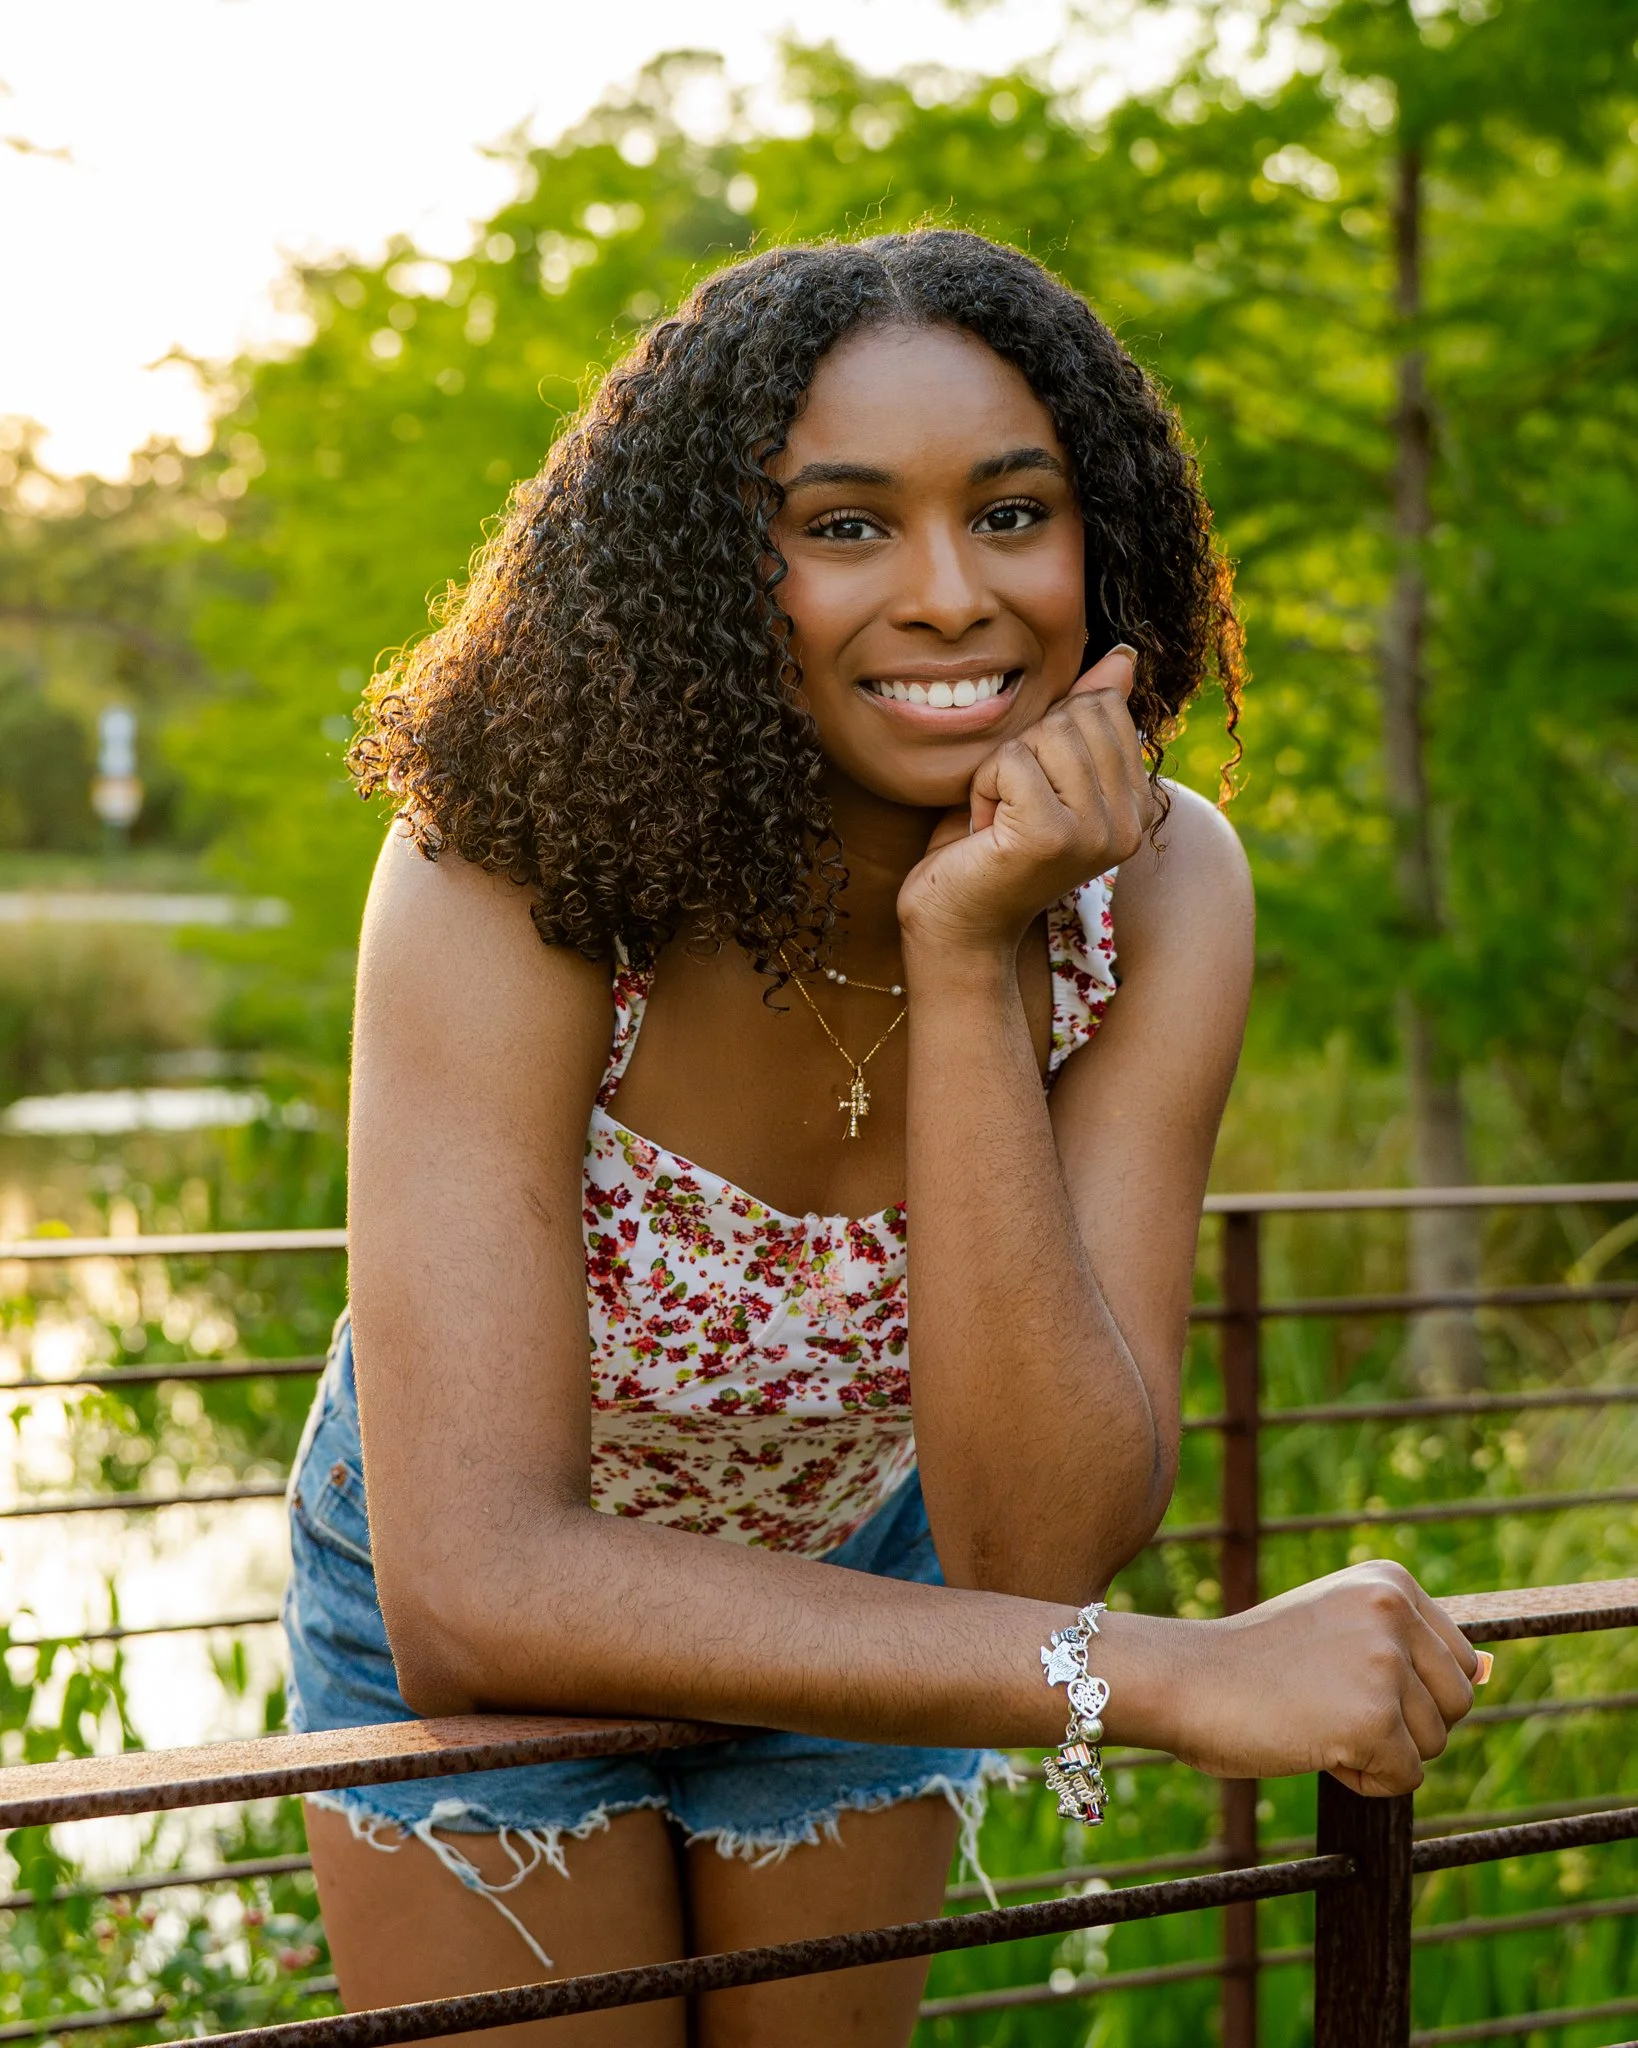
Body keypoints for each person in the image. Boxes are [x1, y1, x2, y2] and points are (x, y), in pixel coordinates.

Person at [282, 229, 1479, 2048]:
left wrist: (969, 944)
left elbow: (1034, 1544)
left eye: (1013, 514)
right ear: (707, 577)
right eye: (844, 526)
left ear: (1107, 549)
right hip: (484, 1599)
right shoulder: (510, 861)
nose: (949, 595)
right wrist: (1153, 1679)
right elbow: (483, 1589)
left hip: (876, 1588)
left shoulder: (1160, 895)